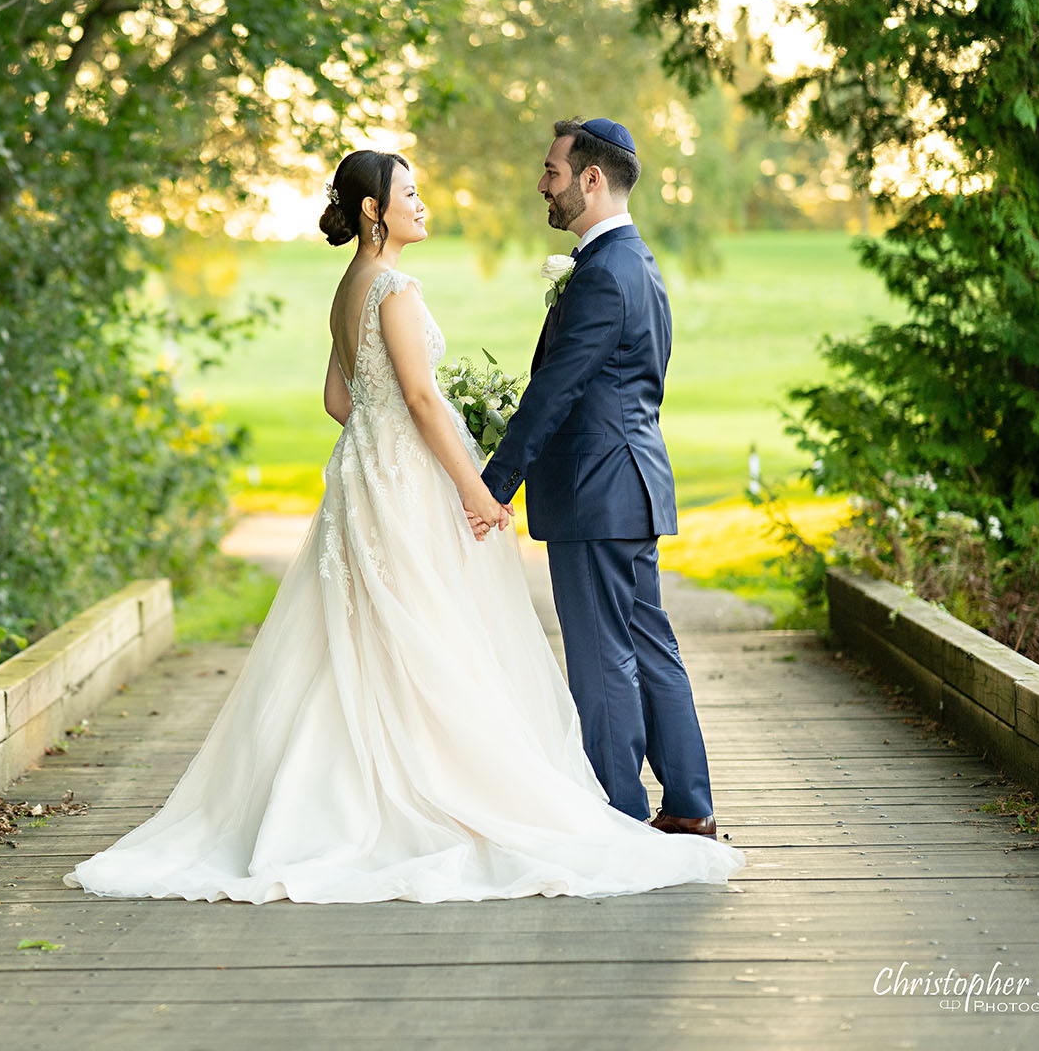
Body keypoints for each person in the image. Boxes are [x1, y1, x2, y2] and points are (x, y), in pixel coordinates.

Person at [65, 147, 744, 904]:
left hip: (366, 482)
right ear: (372, 210)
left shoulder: (347, 288)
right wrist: (475, 488)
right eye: (409, 193)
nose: (421, 203)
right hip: (423, 482)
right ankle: (480, 794)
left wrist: (378, 444)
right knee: (435, 636)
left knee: (365, 640)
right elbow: (420, 403)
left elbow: (338, 399)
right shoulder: (399, 286)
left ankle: (348, 792)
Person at [480, 118, 718, 837]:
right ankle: (688, 807)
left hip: (595, 491)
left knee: (603, 655)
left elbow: (556, 391)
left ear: (591, 179)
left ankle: (617, 813)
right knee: (648, 643)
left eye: (553, 171)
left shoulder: (605, 274)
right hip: (630, 483)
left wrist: (493, 484)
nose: (543, 184)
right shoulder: (635, 264)